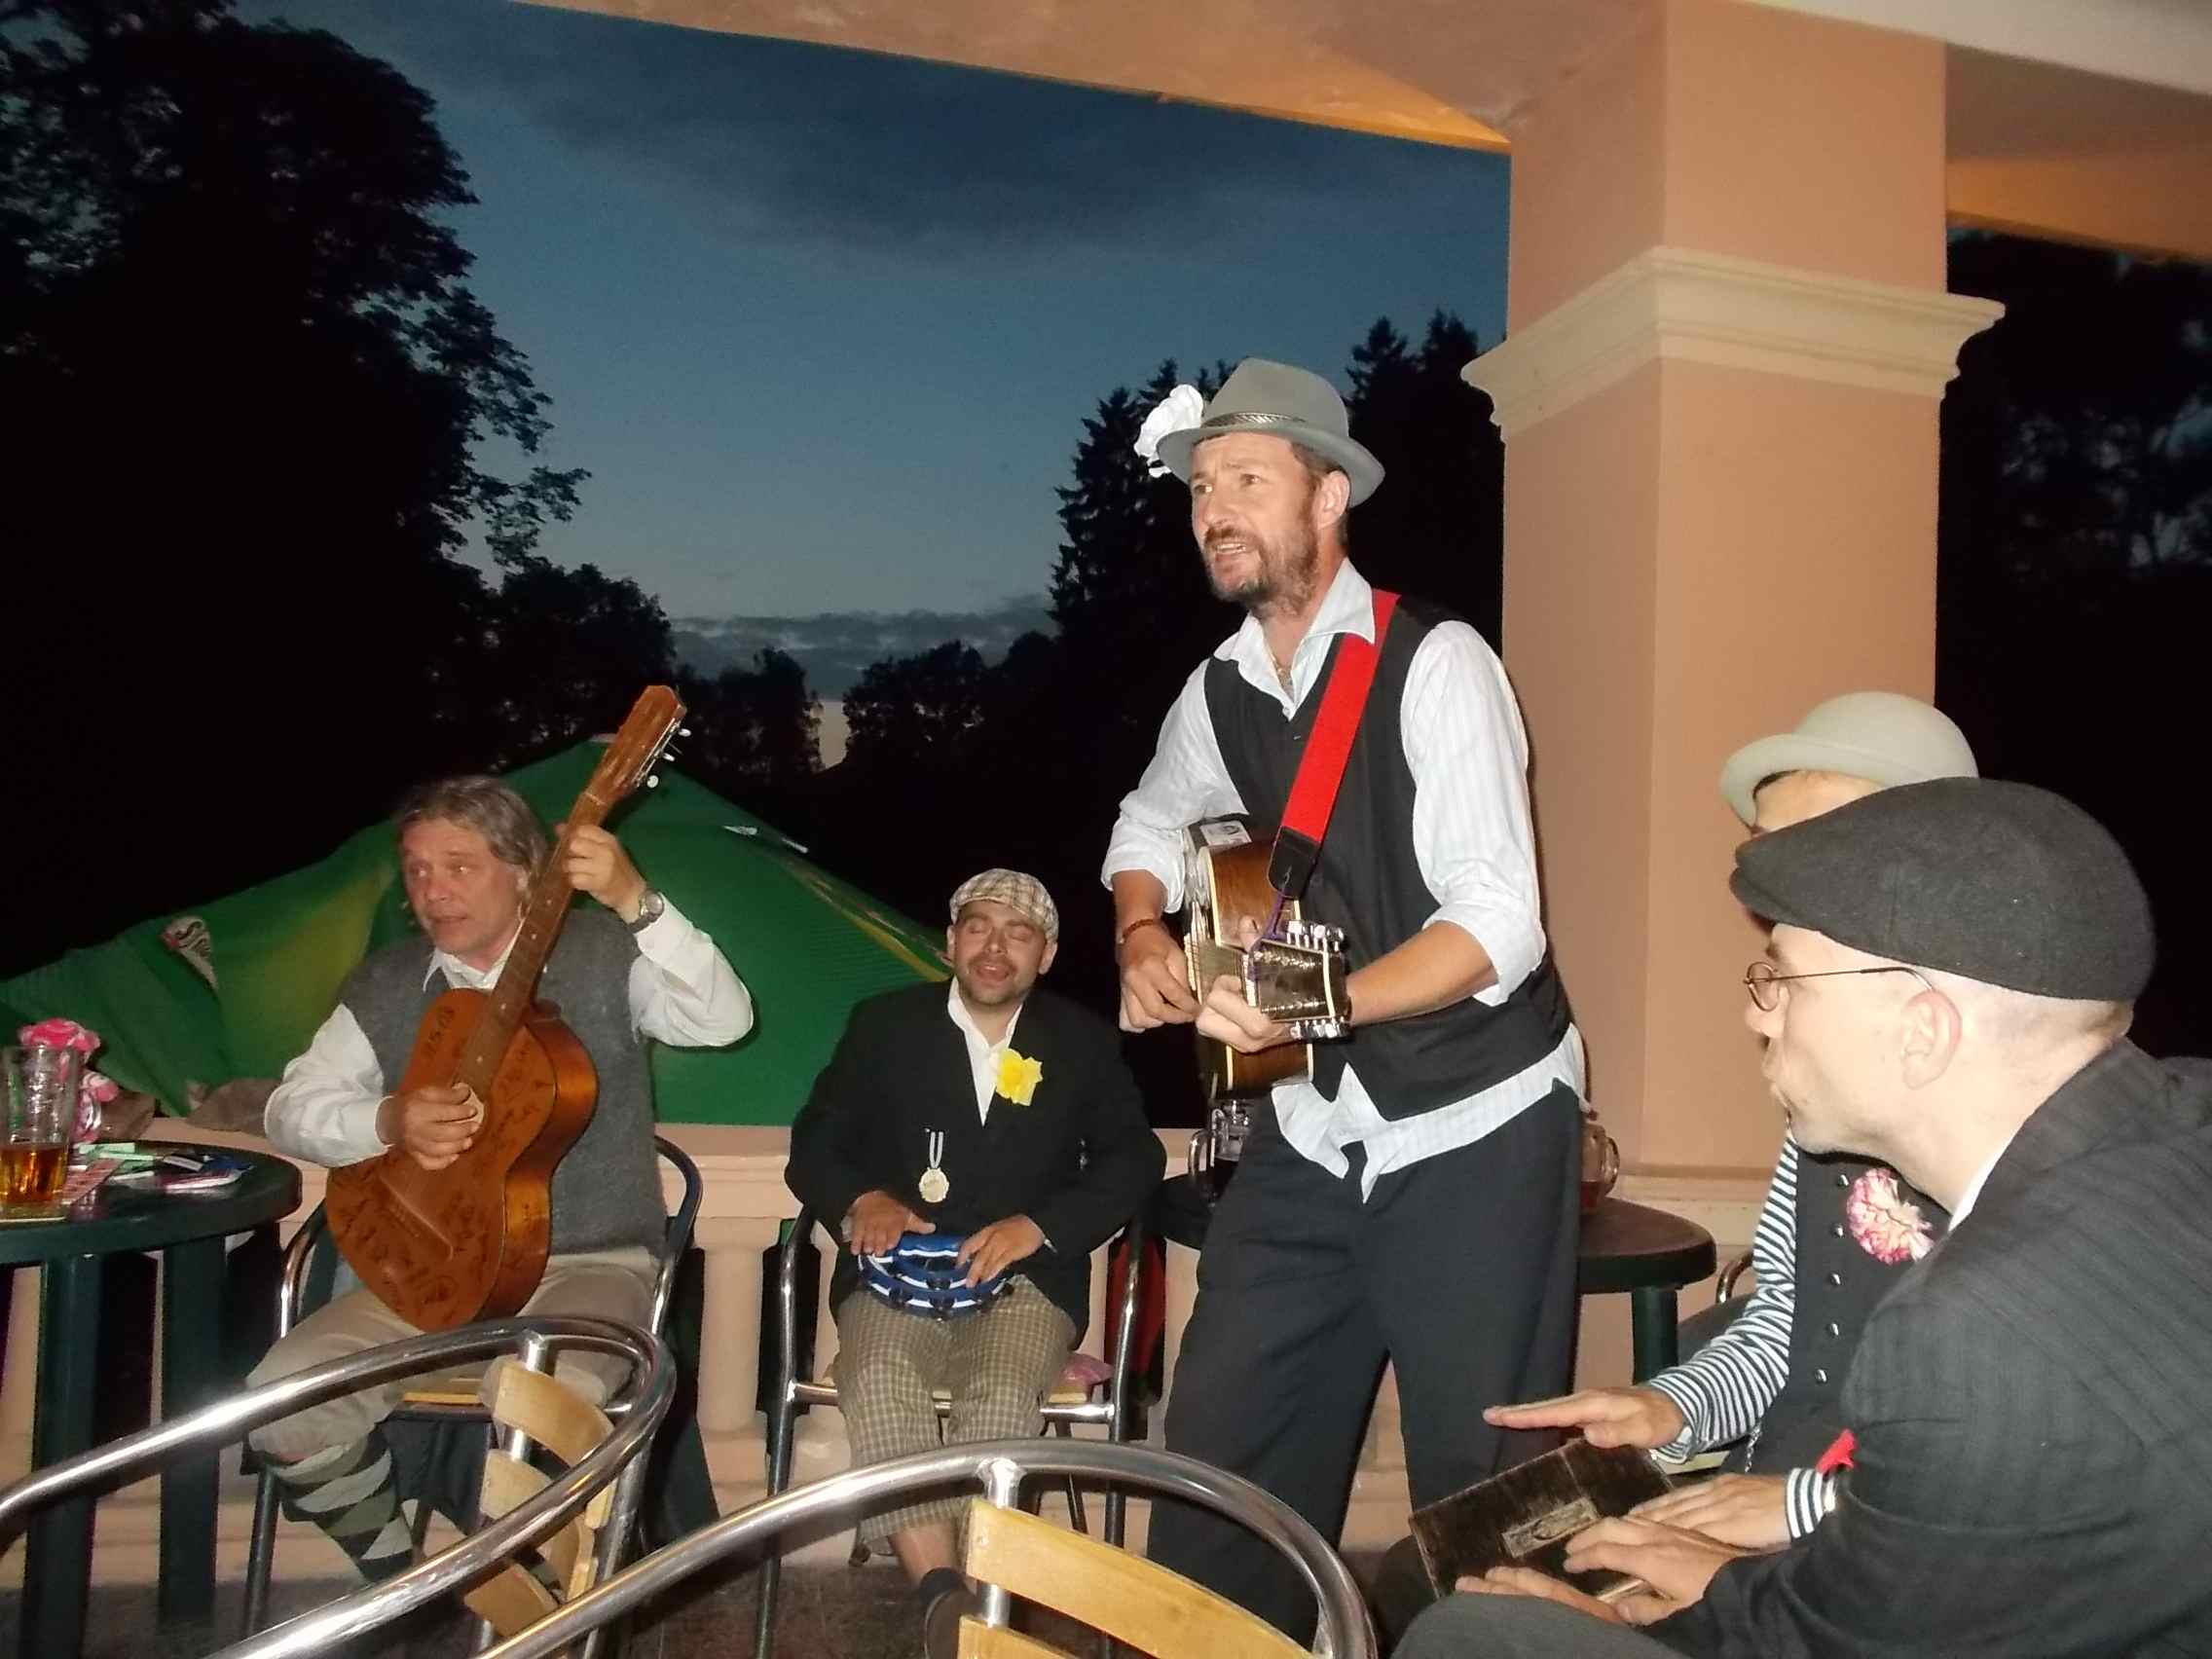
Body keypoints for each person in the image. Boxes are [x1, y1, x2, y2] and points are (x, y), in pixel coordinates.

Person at [1398, 777, 2212, 1658]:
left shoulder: (1972, 1333)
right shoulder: (2180, 1117)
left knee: (1469, 1631)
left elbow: (1838, 1641)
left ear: (1921, 1031)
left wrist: (1669, 1610)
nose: (1757, 1013)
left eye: (1782, 979)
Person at [1104, 358, 1584, 1640]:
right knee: (1225, 1442)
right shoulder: (1218, 688)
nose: (1215, 508)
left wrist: (1312, 1012)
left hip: (1480, 1115)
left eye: (1245, 480)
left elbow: (1500, 925)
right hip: (1317, 1127)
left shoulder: (1439, 663)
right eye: (1201, 487)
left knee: (1494, 1481)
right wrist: (1141, 929)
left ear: (1327, 498)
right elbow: (1147, 819)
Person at [1477, 695, 1978, 1562]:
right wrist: (1673, 1407)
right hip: (1772, 1493)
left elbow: (2014, 1464)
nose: (1775, 889)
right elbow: (1785, 1324)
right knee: (1466, 1569)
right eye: (1766, 854)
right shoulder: (1825, 1092)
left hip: (1892, 1551)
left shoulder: (2024, 1132)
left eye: (1815, 850)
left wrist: (1800, 1510)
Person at [247, 774, 752, 1579]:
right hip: (428, 1275)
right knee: (280, 1404)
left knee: (543, 1400)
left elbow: (723, 1020)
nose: (433, 891)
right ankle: (407, 1581)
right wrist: (387, 1120)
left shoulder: (601, 953)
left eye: (459, 866)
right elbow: (291, 1109)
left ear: (523, 873)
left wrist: (638, 902)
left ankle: (537, 1591)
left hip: (591, 1263)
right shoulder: (386, 982)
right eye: (417, 870)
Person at [785, 869, 1163, 1652]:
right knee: (877, 1375)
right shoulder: (884, 1025)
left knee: (1000, 1396)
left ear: (1046, 955)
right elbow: (816, 1139)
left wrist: (1041, 1227)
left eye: (1018, 933)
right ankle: (952, 1606)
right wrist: (861, 1198)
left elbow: (1135, 1157)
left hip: (1025, 1281)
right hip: (895, 1274)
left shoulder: (1082, 1042)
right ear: (951, 942)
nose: (996, 948)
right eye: (979, 928)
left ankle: (960, 1607)